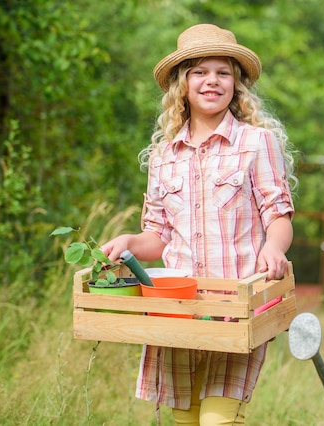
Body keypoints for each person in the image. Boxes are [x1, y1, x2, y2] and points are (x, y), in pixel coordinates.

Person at [101, 23, 296, 425]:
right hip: (177, 307)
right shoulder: (163, 157)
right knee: (184, 420)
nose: (212, 81)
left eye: (223, 72)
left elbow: (278, 214)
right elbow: (157, 236)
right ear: (182, 85)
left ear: (236, 85)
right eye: (199, 72)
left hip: (235, 305)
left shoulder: (256, 143)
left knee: (218, 420)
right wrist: (129, 242)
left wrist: (273, 247)